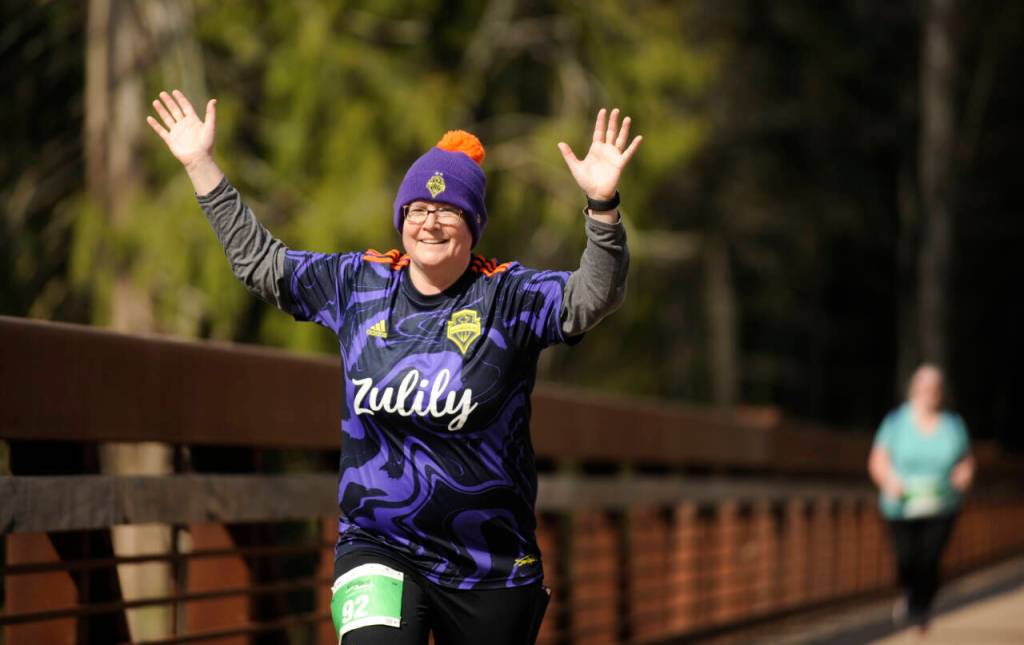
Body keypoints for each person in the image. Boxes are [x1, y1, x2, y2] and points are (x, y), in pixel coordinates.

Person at [146, 89, 640, 644]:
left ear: (474, 222)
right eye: (419, 209)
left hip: (490, 564)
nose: (431, 223)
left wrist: (603, 207)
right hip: (378, 546)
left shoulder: (509, 296)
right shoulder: (359, 284)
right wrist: (201, 165)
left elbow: (593, 296)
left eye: (448, 210)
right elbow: (262, 264)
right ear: (402, 218)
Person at [867, 364, 975, 633]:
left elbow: (966, 461)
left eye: (935, 387)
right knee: (906, 558)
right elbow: (878, 459)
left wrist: (963, 475)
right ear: (914, 389)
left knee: (930, 557)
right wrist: (888, 480)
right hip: (901, 506)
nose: (930, 392)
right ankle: (911, 596)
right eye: (925, 387)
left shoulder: (953, 425)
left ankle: (921, 608)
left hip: (942, 504)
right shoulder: (896, 422)